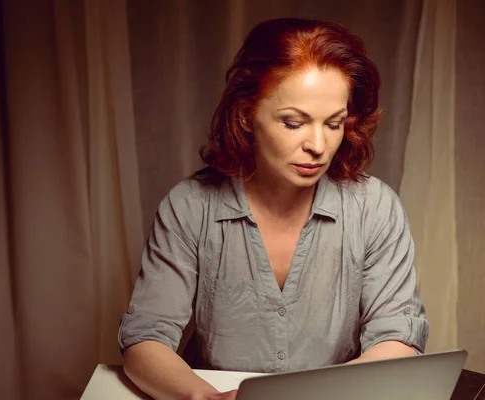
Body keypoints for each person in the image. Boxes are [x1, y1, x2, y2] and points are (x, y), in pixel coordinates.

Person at [118, 18, 429, 400]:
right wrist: (205, 398)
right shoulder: (190, 206)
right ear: (246, 115)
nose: (318, 145)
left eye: (333, 124)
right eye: (294, 123)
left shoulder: (376, 208)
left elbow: (398, 337)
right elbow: (144, 337)